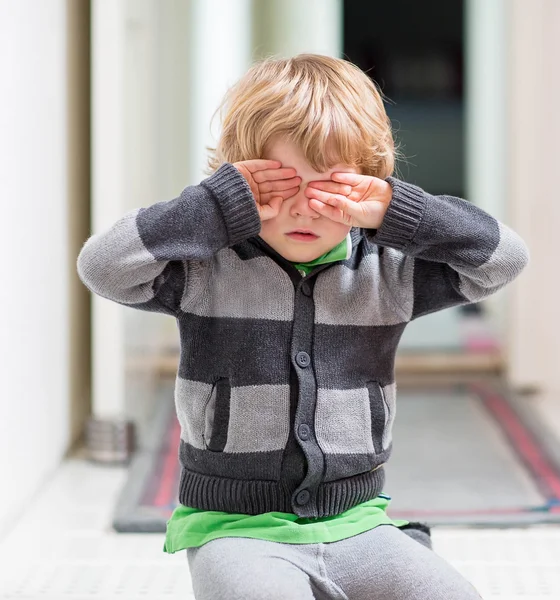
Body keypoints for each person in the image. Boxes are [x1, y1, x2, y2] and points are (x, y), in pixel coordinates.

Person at [77, 53, 529, 599]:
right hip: (235, 530)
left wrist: (400, 212)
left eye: (328, 193)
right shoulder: (206, 268)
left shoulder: (387, 273)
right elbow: (102, 267)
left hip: (359, 523)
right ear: (240, 189)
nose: (303, 212)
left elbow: (504, 259)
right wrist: (216, 206)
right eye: (277, 190)